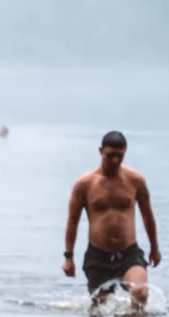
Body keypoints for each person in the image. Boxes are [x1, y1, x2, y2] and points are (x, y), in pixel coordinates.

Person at [61, 130, 161, 306]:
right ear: (101, 151)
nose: (115, 160)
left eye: (120, 156)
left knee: (140, 293)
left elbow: (148, 217)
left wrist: (155, 248)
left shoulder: (135, 180)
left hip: (129, 253)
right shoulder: (84, 184)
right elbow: (72, 222)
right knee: (100, 309)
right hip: (98, 255)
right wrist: (68, 257)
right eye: (110, 155)